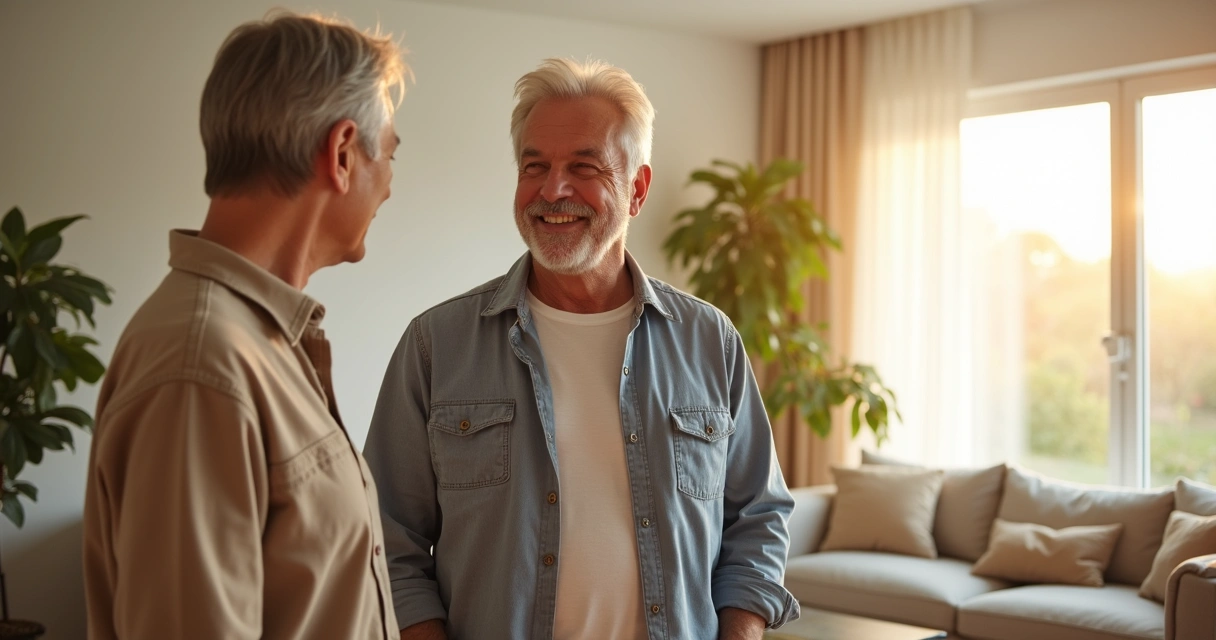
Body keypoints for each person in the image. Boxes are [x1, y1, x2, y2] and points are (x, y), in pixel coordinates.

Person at [364, 58, 799, 640]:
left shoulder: (710, 341)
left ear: (638, 189)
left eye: (583, 167)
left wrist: (740, 632)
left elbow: (759, 516)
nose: (552, 191)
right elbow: (387, 541)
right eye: (534, 166)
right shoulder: (435, 346)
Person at [81, 11, 408, 639]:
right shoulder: (202, 365)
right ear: (341, 154)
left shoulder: (256, 344)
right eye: (388, 154)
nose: (390, 184)